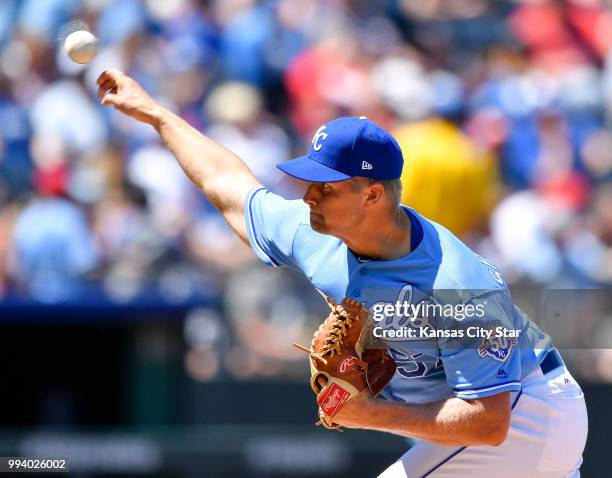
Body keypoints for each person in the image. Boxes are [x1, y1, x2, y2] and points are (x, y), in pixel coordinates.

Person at [96, 69, 588, 477]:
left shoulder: (456, 285)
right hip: (492, 419)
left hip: (527, 413)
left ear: (373, 194)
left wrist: (371, 415)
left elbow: (487, 423)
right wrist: (156, 115)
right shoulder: (315, 231)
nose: (310, 194)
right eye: (310, 180)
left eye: (327, 186)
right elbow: (228, 186)